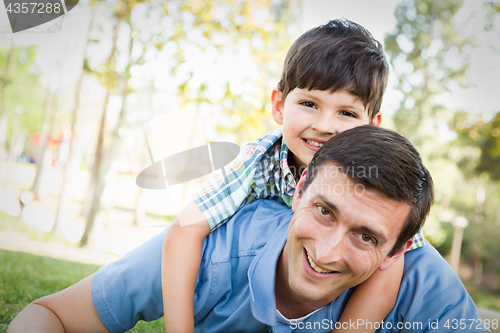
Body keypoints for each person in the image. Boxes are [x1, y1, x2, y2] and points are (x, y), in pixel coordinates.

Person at [8, 126, 491, 332]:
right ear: (298, 188)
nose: (325, 252)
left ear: (398, 251)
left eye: (366, 236)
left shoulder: (427, 290)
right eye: (324, 210)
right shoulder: (221, 249)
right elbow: (48, 315)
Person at [161, 18, 425, 332]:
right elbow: (185, 230)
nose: (326, 125)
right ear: (279, 106)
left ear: (372, 124)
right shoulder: (259, 160)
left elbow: (387, 271)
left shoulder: (381, 182)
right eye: (309, 103)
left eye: (346, 112)